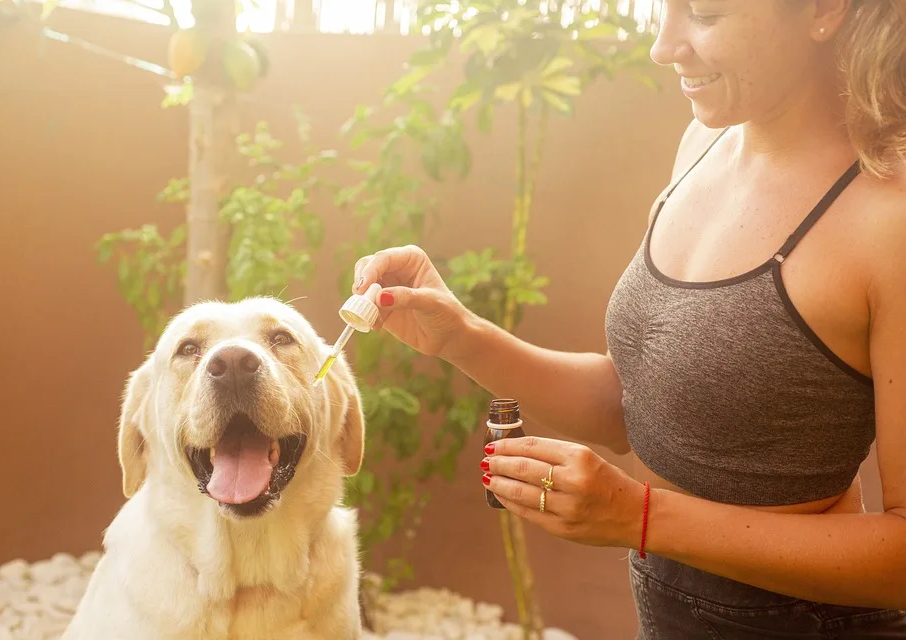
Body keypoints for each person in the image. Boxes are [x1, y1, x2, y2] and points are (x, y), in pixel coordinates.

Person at [349, 0, 906, 637]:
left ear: (823, 10)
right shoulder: (705, 143)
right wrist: (461, 337)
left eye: (705, 13)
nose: (663, 46)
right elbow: (638, 405)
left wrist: (640, 519)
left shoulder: (889, 214)